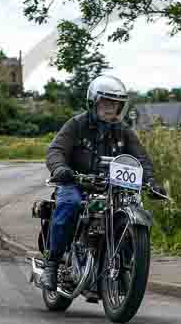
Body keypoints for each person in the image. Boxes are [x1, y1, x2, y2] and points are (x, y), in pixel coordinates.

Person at [42, 75, 166, 291]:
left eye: (116, 104)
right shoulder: (77, 124)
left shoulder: (123, 131)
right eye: (107, 102)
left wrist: (151, 181)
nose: (111, 108)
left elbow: (141, 159)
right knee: (69, 204)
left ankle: (124, 269)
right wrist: (61, 169)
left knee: (129, 210)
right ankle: (51, 265)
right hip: (76, 182)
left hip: (111, 186)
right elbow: (56, 150)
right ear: (94, 102)